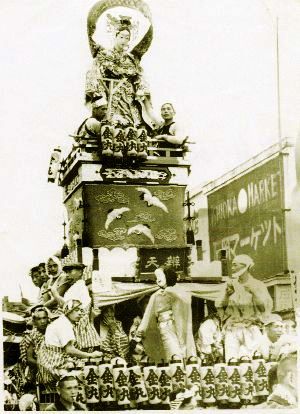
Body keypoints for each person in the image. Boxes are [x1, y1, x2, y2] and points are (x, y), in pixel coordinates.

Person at [215, 254, 273, 361]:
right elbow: (219, 306)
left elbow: (264, 309)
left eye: (235, 265)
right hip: (232, 329)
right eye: (232, 266)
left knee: (255, 359)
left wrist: (255, 293)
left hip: (251, 328)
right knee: (232, 361)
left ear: (245, 266)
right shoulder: (230, 284)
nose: (232, 268)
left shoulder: (258, 284)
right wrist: (227, 295)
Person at [37, 299, 102, 388]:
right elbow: (69, 350)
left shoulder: (63, 322)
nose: (79, 313)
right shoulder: (64, 324)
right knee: (89, 373)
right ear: (68, 311)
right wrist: (91, 355)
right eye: (76, 310)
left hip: (51, 364)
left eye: (80, 310)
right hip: (53, 366)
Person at [137, 267, 196, 363]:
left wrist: (171, 291)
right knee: (174, 354)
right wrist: (141, 329)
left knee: (183, 353)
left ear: (168, 276)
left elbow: (186, 301)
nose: (158, 279)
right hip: (165, 326)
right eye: (156, 277)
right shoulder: (155, 296)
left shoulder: (179, 291)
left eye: (160, 276)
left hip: (178, 325)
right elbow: (148, 313)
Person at [19, 306, 50, 388]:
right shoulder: (32, 336)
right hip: (39, 368)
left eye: (44, 318)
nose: (42, 321)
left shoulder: (52, 332)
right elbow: (30, 359)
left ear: (48, 319)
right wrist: (45, 366)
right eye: (39, 319)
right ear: (34, 321)